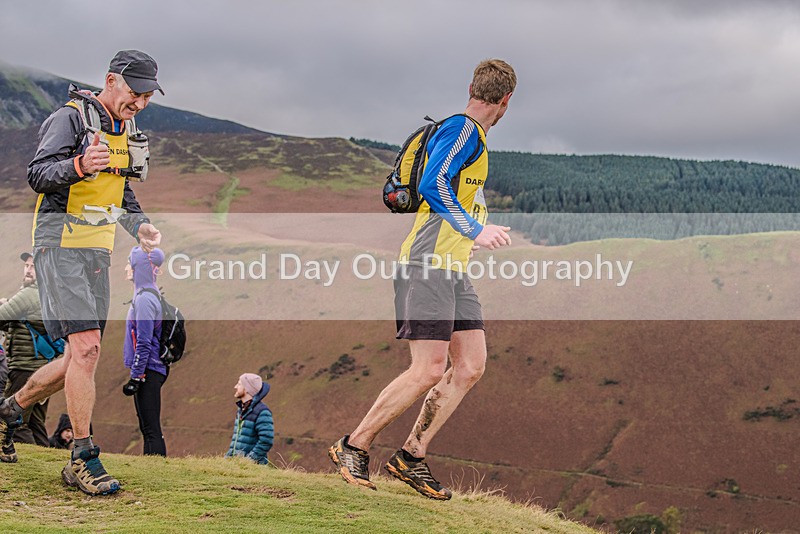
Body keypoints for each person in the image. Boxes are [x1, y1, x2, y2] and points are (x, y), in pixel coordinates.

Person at [330, 59, 517, 500]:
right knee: (429, 369)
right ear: (508, 100)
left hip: (453, 270)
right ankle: (353, 445)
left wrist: (469, 235)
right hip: (426, 266)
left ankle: (410, 456)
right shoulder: (463, 130)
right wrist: (475, 229)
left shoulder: (475, 138)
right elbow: (434, 185)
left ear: (472, 86)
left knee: (470, 366)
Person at [0, 50, 163, 496]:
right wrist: (77, 166)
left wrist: (139, 224)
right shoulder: (69, 119)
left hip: (95, 252)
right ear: (112, 80)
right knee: (88, 350)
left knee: (77, 357)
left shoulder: (124, 129)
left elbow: (120, 189)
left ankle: (10, 411)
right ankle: (82, 457)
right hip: (58, 246)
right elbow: (37, 174)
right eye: (136, 93)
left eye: (148, 96)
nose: (141, 103)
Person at [0, 252, 63, 459]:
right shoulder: (48, 294)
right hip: (43, 368)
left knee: (14, 420)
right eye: (26, 266)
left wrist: (3, 304)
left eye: (33, 267)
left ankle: (29, 463)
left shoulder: (29, 294)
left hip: (23, 367)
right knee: (36, 423)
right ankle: (47, 460)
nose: (28, 270)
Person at [122, 246, 168, 457]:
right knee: (148, 427)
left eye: (130, 265)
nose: (126, 269)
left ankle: (157, 472)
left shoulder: (144, 299)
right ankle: (155, 469)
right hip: (151, 368)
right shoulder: (147, 295)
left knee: (151, 429)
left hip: (148, 369)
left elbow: (144, 340)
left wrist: (136, 375)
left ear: (138, 268)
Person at [225, 373, 273, 465]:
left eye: (239, 384)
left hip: (253, 468)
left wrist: (249, 461)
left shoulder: (262, 412)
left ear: (247, 389)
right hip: (236, 465)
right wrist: (228, 459)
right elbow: (237, 440)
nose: (235, 387)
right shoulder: (241, 409)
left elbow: (266, 441)